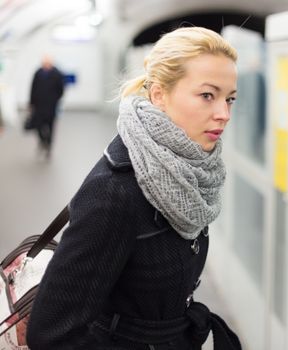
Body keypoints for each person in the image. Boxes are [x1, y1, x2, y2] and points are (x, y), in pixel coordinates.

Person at [26, 27, 241, 350]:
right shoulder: (115, 192)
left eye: (230, 99)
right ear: (158, 94)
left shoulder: (188, 173)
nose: (223, 114)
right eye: (207, 95)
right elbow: (50, 333)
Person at [29, 54, 64, 157]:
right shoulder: (38, 73)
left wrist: (55, 99)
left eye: (47, 62)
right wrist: (31, 102)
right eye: (44, 62)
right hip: (39, 105)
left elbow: (61, 89)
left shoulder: (57, 74)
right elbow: (33, 88)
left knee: (51, 126)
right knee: (38, 125)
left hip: (51, 105)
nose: (45, 64)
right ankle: (43, 140)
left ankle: (49, 145)